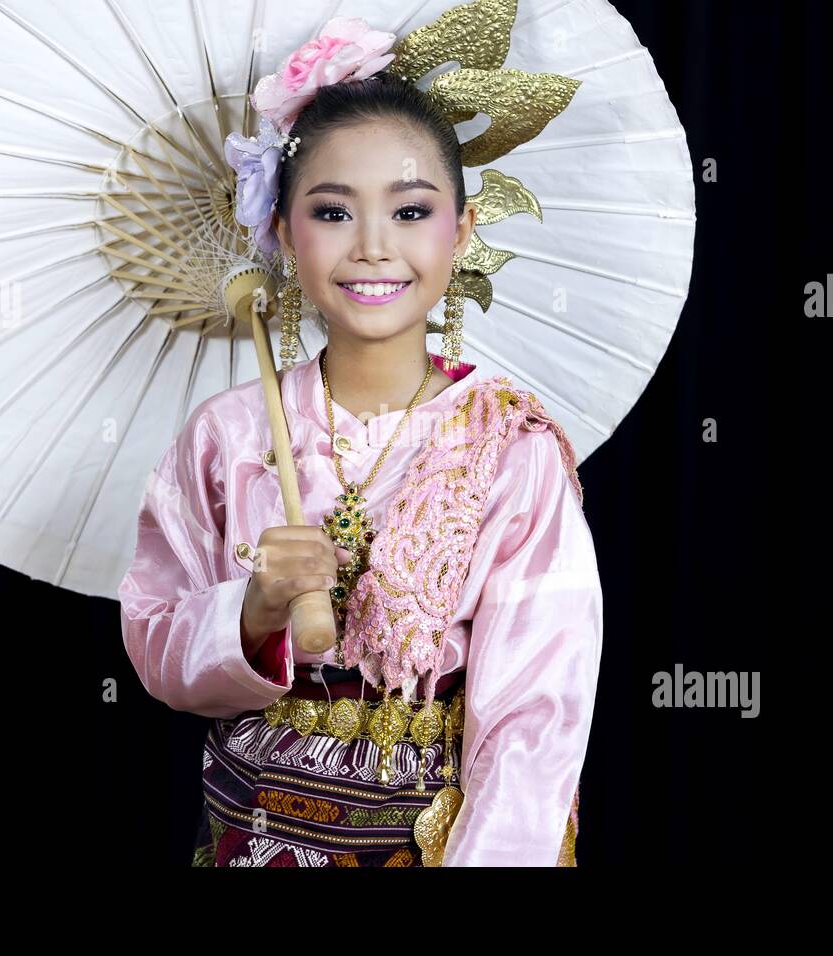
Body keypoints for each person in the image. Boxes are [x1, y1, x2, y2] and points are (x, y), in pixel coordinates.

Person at [118, 18, 602, 867]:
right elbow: (157, 647)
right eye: (332, 210)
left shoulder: (510, 448)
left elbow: (536, 719)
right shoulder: (229, 436)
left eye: (411, 210)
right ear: (278, 231)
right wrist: (252, 612)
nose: (374, 245)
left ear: (461, 228)